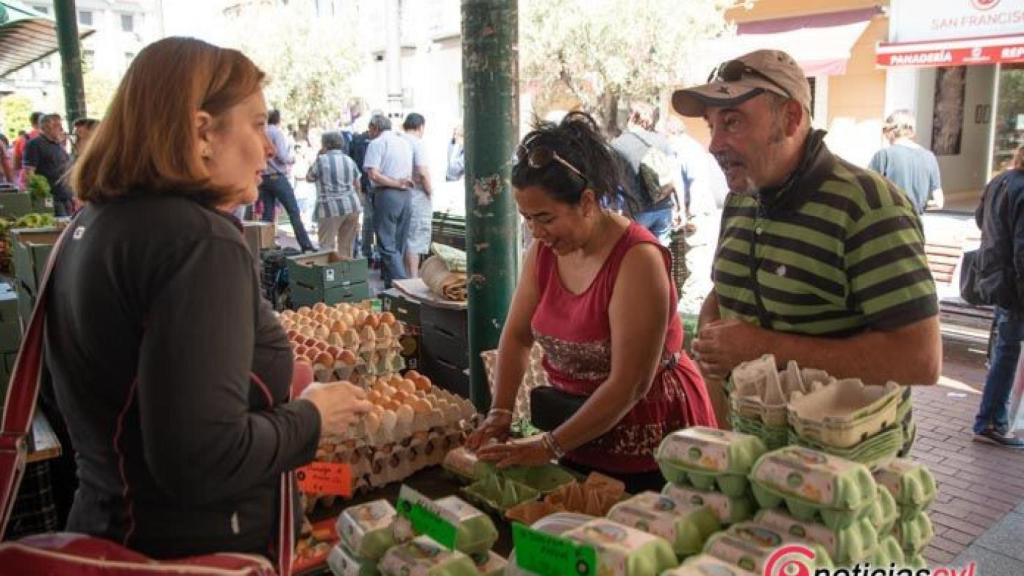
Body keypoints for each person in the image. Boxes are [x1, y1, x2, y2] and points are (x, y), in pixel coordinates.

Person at [56, 37, 371, 559]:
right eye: (256, 123)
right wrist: (313, 417)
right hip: (193, 551)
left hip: (112, 529)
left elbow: (131, 392)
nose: (269, 147)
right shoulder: (200, 242)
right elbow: (201, 457)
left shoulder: (93, 224)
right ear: (202, 132)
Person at [466, 112, 717, 494]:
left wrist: (549, 445)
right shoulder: (545, 252)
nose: (536, 232)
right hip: (576, 428)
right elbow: (517, 337)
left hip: (649, 435)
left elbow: (629, 385)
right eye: (527, 219)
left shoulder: (638, 260)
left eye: (545, 218)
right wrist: (500, 411)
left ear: (586, 202)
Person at [674, 49, 941, 388]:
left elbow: (920, 360)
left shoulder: (868, 206)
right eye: (712, 126)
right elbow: (726, 289)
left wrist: (764, 349)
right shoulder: (741, 199)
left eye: (732, 122)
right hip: (746, 436)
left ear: (791, 118)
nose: (714, 144)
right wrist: (712, 329)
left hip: (838, 440)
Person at [971, 145, 1024, 447]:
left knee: (1005, 349)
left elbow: (982, 221)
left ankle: (991, 419)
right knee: (1008, 353)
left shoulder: (1000, 181)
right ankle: (990, 421)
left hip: (996, 278)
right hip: (1015, 286)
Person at [610, 102, 681, 247]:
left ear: (630, 117)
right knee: (663, 254)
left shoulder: (618, 144)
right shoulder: (662, 141)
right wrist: (681, 210)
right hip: (663, 208)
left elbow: (613, 180)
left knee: (637, 252)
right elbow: (675, 176)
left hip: (636, 210)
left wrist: (615, 209)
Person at [363, 113, 415, 287]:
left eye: (370, 128)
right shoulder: (403, 142)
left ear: (375, 128)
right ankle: (390, 286)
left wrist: (395, 183)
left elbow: (374, 174)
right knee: (398, 243)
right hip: (406, 195)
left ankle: (401, 285)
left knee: (386, 244)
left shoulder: (377, 143)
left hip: (388, 193)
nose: (368, 132)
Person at [259, 108, 315, 252]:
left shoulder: (261, 132)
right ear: (278, 120)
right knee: (293, 211)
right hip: (277, 176)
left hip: (263, 177)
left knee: (267, 213)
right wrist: (293, 159)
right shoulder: (276, 133)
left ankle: (265, 245)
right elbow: (282, 155)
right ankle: (306, 245)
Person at [868, 110, 943, 214]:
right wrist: (917, 205)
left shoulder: (883, 155)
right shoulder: (929, 157)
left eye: (885, 130)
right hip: (915, 224)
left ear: (891, 130)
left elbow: (866, 191)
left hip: (889, 221)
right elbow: (939, 203)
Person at [306, 131, 362, 259]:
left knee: (326, 247)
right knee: (346, 247)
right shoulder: (349, 160)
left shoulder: (322, 160)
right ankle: (346, 275)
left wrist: (317, 156)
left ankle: (329, 276)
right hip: (351, 206)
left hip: (329, 208)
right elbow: (357, 184)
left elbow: (309, 177)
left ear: (325, 144)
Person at [400, 112, 433, 278]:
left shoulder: (397, 140)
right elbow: (422, 171)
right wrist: (429, 190)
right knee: (415, 239)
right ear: (420, 127)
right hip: (417, 196)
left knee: (404, 238)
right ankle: (413, 278)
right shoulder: (417, 143)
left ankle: (404, 276)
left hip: (400, 195)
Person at [23, 113, 74, 217]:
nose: (60, 129)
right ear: (45, 127)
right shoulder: (35, 144)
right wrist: (38, 194)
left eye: (60, 125)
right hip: (51, 196)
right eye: (56, 125)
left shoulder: (58, 145)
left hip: (65, 194)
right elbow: (29, 172)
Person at [12, 111, 43, 187]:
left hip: (28, 180)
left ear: (32, 123)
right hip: (48, 179)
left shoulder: (21, 140)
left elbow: (16, 165)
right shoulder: (52, 139)